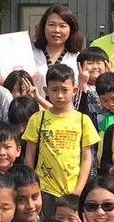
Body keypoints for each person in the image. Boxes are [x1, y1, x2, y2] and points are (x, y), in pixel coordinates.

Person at [23, 63, 99, 197]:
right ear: (46, 91)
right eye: (54, 90)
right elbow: (29, 155)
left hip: (73, 190)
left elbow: (87, 158)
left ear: (74, 90)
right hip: (44, 188)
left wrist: (79, 189)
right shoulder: (37, 119)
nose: (59, 95)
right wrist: (32, 185)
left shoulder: (83, 120)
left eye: (64, 90)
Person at [30, 3, 83, 85]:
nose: (57, 30)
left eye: (62, 26)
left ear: (71, 29)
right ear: (43, 27)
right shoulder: (30, 57)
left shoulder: (78, 59)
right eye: (51, 25)